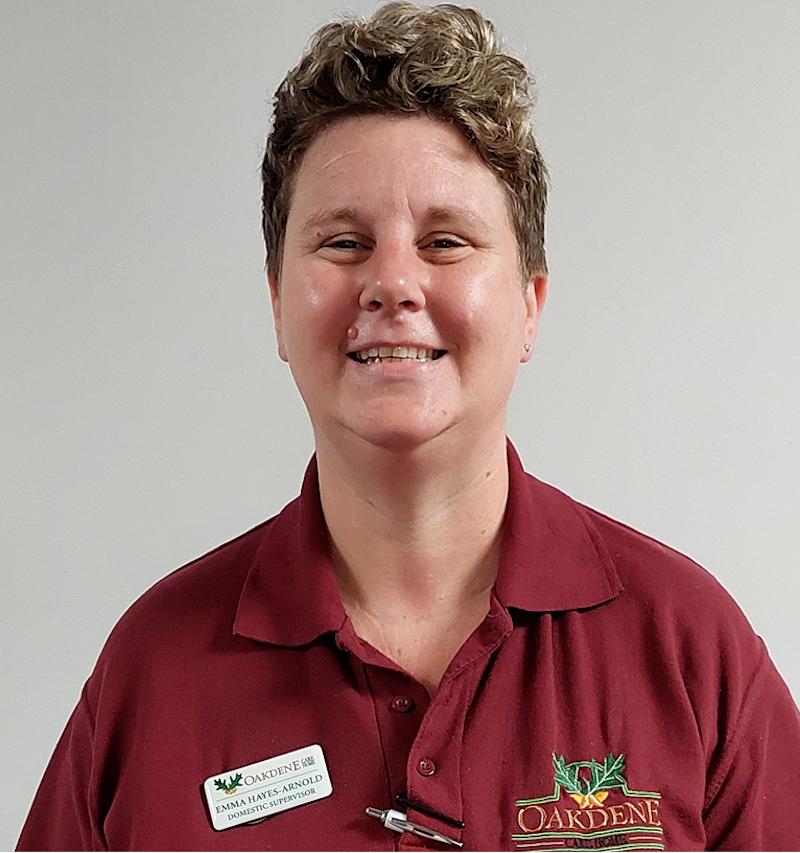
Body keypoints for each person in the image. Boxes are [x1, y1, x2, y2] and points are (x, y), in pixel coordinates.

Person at [17, 3, 800, 850]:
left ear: (530, 304)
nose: (392, 283)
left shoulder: (689, 653)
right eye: (345, 243)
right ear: (278, 306)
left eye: (447, 241)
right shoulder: (153, 675)